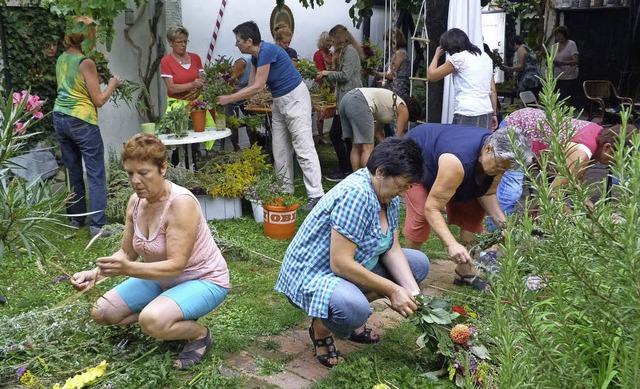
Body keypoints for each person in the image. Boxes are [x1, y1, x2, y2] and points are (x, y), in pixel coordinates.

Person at [70, 133, 230, 370]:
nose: (135, 181)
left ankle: (198, 334)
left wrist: (129, 269)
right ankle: (169, 314)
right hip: (161, 279)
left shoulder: (180, 204)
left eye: (143, 173)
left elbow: (176, 265)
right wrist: (95, 274)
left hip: (203, 279)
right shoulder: (135, 202)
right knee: (102, 312)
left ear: (163, 168)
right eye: (130, 173)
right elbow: (126, 254)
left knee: (151, 320)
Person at [275, 137, 430, 368]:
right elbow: (340, 263)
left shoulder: (388, 194)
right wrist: (393, 289)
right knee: (354, 309)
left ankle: (349, 306)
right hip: (313, 272)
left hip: (348, 265)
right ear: (381, 172)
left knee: (418, 263)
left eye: (408, 187)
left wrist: (415, 295)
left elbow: (392, 248)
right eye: (401, 186)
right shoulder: (357, 194)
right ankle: (321, 328)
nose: (403, 193)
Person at [403, 124, 533, 290]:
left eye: (505, 169)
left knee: (472, 213)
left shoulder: (500, 158)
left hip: (453, 162)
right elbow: (432, 209)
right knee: (421, 215)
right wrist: (451, 245)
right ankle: (407, 272)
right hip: (420, 157)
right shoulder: (456, 162)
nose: (501, 171)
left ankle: (464, 271)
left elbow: (487, 194)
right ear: (488, 149)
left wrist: (504, 226)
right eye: (500, 166)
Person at [217, 21, 324, 211]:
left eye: (238, 40)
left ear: (249, 41)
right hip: (280, 100)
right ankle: (284, 189)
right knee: (279, 147)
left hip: (294, 98)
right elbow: (251, 88)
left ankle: (316, 195)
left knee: (303, 146)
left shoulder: (267, 51)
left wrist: (228, 98)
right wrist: (228, 90)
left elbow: (258, 87)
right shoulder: (256, 58)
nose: (236, 44)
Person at [490, 108, 637, 223]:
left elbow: (572, 186)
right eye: (618, 158)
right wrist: (580, 223)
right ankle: (492, 246)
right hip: (517, 129)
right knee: (510, 190)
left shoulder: (599, 136)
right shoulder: (582, 151)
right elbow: (553, 194)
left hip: (534, 137)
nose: (617, 164)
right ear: (607, 147)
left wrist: (595, 214)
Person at [52, 16, 123, 239]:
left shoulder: (62, 59)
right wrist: (112, 84)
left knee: (72, 170)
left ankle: (75, 218)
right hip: (82, 121)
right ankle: (97, 225)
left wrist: (95, 79)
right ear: (85, 35)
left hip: (60, 117)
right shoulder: (86, 62)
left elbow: (73, 86)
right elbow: (99, 100)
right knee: (95, 173)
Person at [317, 24, 363, 182]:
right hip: (346, 99)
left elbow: (345, 75)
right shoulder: (345, 51)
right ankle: (348, 169)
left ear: (338, 38)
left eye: (332, 39)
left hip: (350, 99)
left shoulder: (350, 51)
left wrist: (328, 73)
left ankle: (345, 169)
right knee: (346, 137)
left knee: (336, 135)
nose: (331, 43)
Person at [427, 28, 498, 130]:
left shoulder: (459, 58)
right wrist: (494, 114)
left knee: (459, 143)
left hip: (466, 111)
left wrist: (437, 55)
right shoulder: (485, 57)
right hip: (486, 111)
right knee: (480, 145)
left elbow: (431, 76)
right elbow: (493, 90)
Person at [160, 25, 212, 163]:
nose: (183, 45)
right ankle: (180, 169)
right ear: (171, 42)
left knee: (197, 140)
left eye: (185, 41)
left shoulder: (195, 58)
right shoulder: (166, 61)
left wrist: (207, 84)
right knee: (180, 142)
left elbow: (203, 80)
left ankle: (194, 169)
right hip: (178, 108)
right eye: (179, 42)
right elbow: (171, 88)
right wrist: (191, 85)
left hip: (196, 106)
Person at [339, 87, 421, 170]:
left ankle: (356, 178)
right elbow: (397, 139)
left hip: (347, 98)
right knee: (368, 147)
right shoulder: (404, 109)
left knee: (356, 145)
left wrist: (385, 148)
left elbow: (377, 132)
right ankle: (366, 179)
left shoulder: (390, 104)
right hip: (360, 101)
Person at [224, 54, 254, 151]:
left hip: (246, 95)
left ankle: (253, 148)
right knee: (232, 121)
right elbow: (228, 81)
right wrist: (237, 92)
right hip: (233, 94)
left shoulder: (260, 63)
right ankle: (236, 148)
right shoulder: (242, 63)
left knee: (251, 120)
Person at [375, 28, 410, 97]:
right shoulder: (396, 53)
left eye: (388, 41)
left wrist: (376, 73)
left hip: (397, 90)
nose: (387, 44)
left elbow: (391, 75)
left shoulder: (399, 53)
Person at [312, 31, 333, 143]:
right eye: (327, 41)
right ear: (322, 42)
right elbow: (320, 72)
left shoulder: (331, 54)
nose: (329, 44)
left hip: (330, 85)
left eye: (331, 41)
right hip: (320, 85)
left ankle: (331, 133)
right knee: (321, 112)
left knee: (332, 110)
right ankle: (321, 136)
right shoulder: (318, 54)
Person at [552, 26, 579, 106]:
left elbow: (576, 61)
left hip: (569, 76)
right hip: (557, 76)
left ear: (565, 35)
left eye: (560, 35)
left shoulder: (571, 44)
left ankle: (566, 115)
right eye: (556, 36)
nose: (558, 38)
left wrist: (563, 63)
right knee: (557, 97)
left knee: (566, 97)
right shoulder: (554, 46)